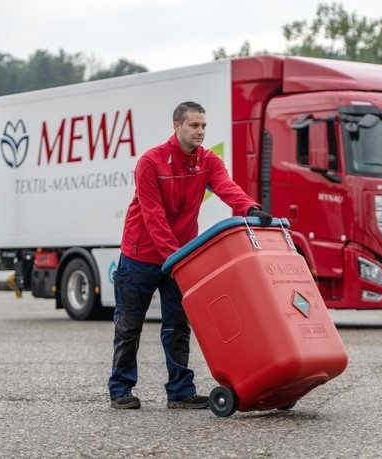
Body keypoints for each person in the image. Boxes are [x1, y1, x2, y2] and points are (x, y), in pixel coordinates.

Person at [108, 101, 272, 409]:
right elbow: (153, 216)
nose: (200, 131)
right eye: (194, 125)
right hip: (140, 256)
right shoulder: (150, 162)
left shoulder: (208, 161)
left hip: (179, 258)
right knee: (129, 325)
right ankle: (120, 389)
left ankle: (180, 392)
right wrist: (174, 257)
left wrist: (250, 208)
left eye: (203, 126)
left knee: (178, 325)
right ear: (177, 126)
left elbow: (227, 188)